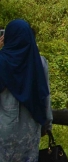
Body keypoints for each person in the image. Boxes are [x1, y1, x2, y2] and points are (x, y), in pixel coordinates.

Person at [0, 19, 53, 161]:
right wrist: (47, 123)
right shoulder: (40, 62)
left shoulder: (2, 61)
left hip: (3, 129)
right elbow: (44, 94)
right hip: (30, 129)